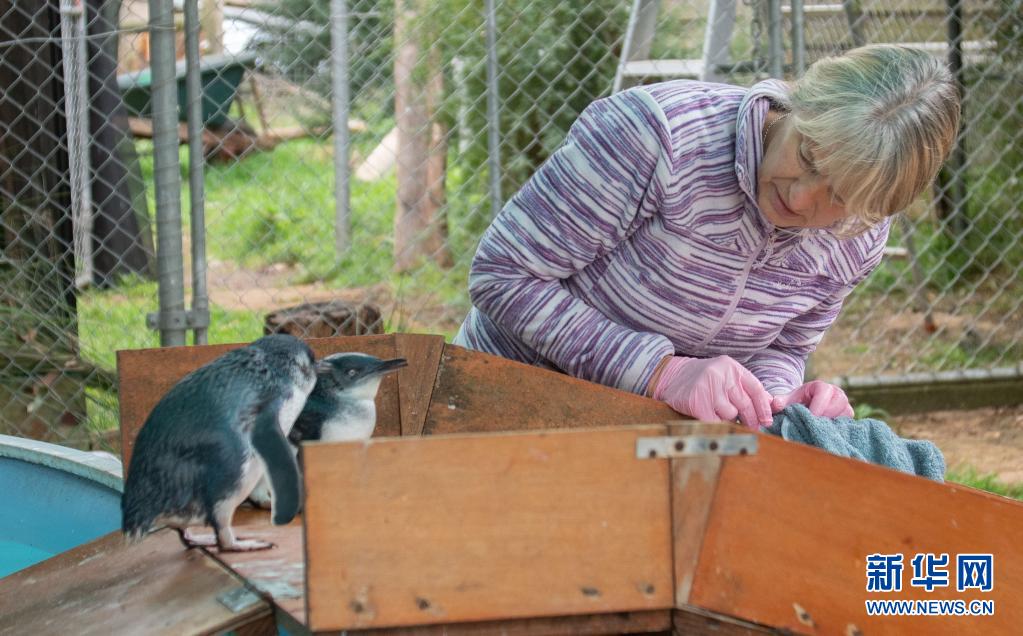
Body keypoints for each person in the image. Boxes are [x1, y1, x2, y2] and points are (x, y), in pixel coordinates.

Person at [454, 44, 961, 429]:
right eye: (807, 157)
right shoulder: (658, 135)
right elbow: (504, 275)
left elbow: (784, 346)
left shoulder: (859, 233)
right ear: (798, 105)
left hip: (662, 441)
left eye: (841, 197)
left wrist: (777, 399)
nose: (803, 200)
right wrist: (660, 372)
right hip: (506, 401)